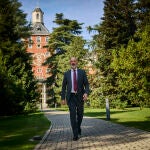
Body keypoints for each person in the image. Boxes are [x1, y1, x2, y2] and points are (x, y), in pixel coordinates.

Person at [61, 57, 89, 141]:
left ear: (77, 62)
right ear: (70, 62)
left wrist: (86, 93)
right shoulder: (66, 73)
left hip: (80, 96)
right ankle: (75, 134)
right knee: (73, 115)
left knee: (80, 114)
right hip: (71, 97)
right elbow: (63, 87)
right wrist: (63, 98)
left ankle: (78, 127)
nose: (73, 62)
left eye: (74, 61)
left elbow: (86, 84)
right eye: (71, 61)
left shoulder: (82, 72)